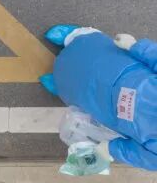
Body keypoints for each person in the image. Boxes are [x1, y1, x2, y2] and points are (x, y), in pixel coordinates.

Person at [39, 24, 157, 172]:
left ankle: (59, 83)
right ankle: (73, 36)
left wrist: (109, 149)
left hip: (103, 107)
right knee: (95, 52)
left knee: (76, 90)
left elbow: (135, 154)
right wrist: (135, 46)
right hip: (121, 69)